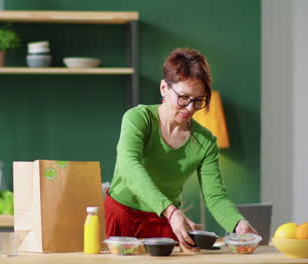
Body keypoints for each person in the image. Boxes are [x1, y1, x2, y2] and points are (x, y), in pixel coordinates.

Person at [105, 48, 257, 249]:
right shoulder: (138, 118)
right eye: (184, 97)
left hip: (165, 224)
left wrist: (238, 223)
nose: (190, 108)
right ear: (163, 89)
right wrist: (170, 210)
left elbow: (215, 196)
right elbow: (129, 166)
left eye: (198, 100)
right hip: (122, 219)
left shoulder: (205, 141)